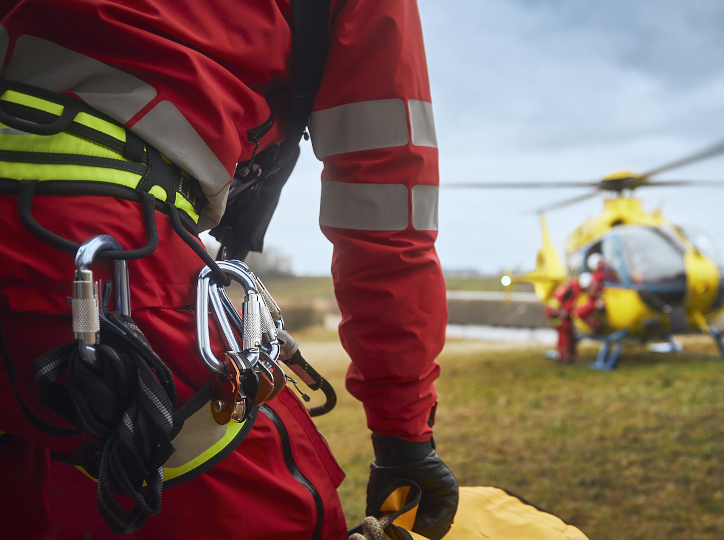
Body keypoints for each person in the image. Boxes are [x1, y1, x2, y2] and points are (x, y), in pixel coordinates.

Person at [0, 1, 457, 539]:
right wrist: (404, 436)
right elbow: (387, 218)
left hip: (81, 239)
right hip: (105, 243)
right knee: (275, 515)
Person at [544, 277, 581, 364]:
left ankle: (565, 356)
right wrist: (560, 312)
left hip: (561, 317)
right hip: (562, 318)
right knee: (564, 338)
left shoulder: (566, 287)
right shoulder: (572, 289)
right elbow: (554, 307)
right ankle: (565, 358)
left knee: (566, 338)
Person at [576, 253, 607, 334]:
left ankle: (598, 329)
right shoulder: (603, 272)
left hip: (596, 300)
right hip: (598, 299)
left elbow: (594, 291)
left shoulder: (598, 274)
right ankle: (598, 328)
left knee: (579, 312)